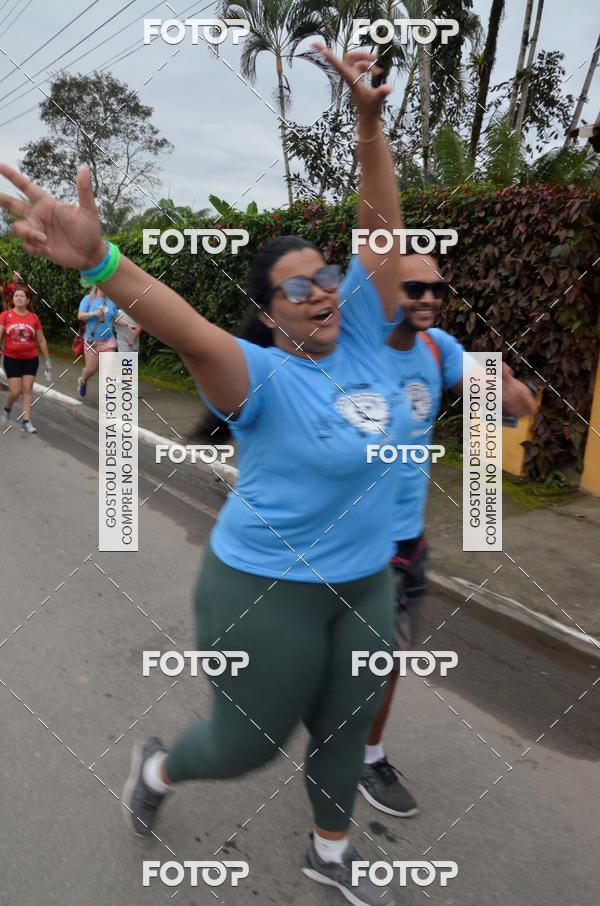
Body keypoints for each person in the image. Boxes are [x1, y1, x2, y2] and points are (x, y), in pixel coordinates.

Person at [0, 48, 416, 906]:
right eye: (296, 287)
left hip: (367, 582)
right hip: (264, 586)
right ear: (266, 314)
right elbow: (186, 328)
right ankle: (157, 765)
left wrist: (369, 124)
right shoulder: (257, 377)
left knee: (342, 732)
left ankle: (331, 853)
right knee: (244, 747)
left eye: (326, 277)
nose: (321, 291)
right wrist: (101, 262)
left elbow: (382, 231)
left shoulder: (373, 335)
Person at [356, 249, 537, 818]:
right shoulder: (351, 348)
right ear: (389, 290)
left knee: (387, 658)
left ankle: (366, 755)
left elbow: (516, 407)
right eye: (414, 287)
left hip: (405, 541)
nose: (429, 298)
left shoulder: (440, 349)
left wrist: (510, 392)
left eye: (437, 289)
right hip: (342, 537)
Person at [0, 284, 52, 433]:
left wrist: (48, 360)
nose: (19, 298)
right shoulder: (5, 315)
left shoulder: (33, 318)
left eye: (22, 296)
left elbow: (41, 340)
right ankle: (7, 408)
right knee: (15, 391)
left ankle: (27, 421)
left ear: (27, 300)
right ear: (13, 299)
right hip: (11, 359)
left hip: (31, 359)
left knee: (28, 390)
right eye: (16, 296)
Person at [77, 285, 118, 397]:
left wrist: (128, 325)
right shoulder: (88, 299)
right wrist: (93, 313)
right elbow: (80, 316)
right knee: (91, 369)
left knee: (109, 367)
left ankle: (108, 394)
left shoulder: (111, 301)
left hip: (109, 340)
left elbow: (116, 318)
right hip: (92, 341)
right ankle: (83, 381)